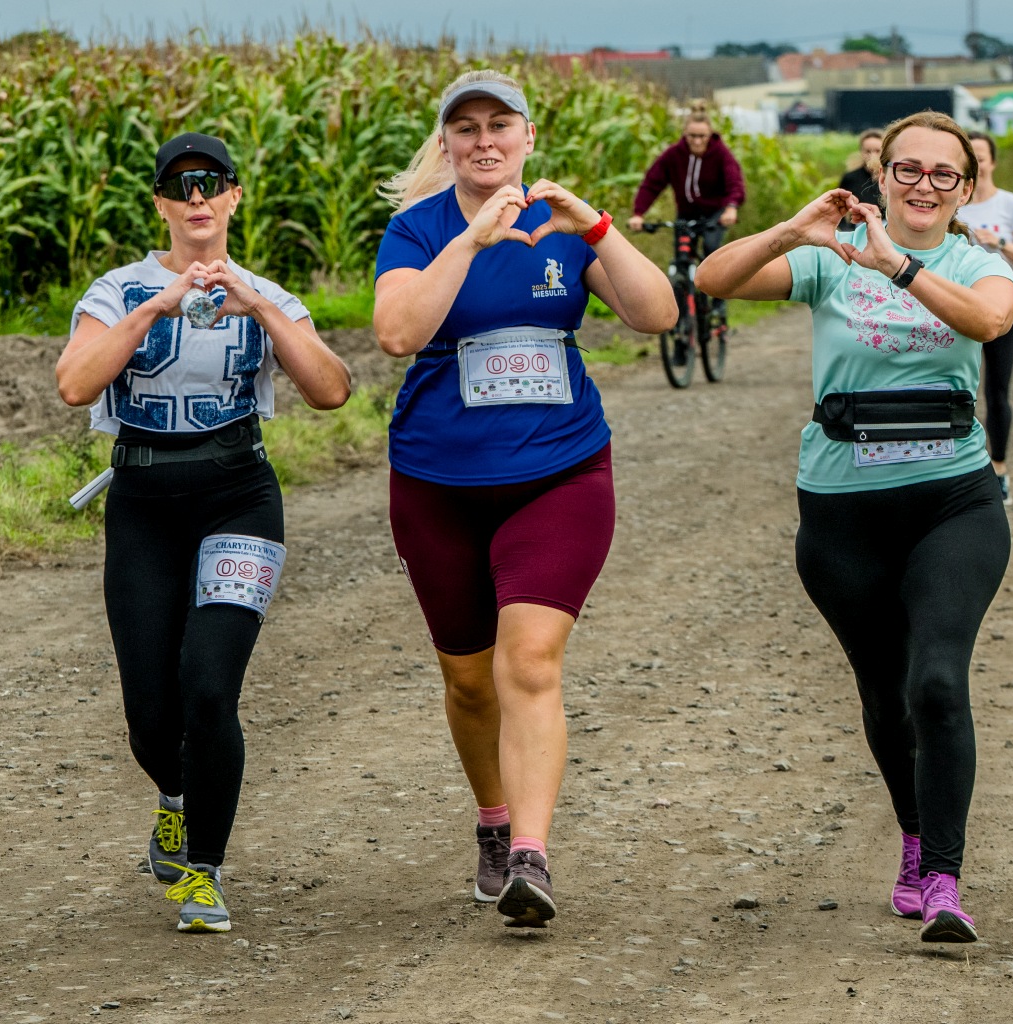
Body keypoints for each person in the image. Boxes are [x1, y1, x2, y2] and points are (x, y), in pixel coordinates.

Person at [696, 111, 1013, 943]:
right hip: (841, 513)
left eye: (942, 174)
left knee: (936, 682)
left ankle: (942, 879)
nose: (922, 185)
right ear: (881, 176)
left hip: (953, 503)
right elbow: (711, 279)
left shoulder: (977, 265)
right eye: (907, 169)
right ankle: (912, 839)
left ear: (965, 189)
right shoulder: (829, 259)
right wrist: (789, 232)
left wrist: (898, 266)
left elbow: (986, 323)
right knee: (885, 694)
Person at [373, 70, 674, 928]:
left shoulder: (565, 225)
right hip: (437, 480)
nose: (483, 141)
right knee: (470, 680)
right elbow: (396, 332)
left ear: (527, 136)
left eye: (499, 124)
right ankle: (495, 821)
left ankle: (531, 857)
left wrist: (599, 229)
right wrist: (470, 241)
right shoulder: (417, 229)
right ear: (445, 144)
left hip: (558, 472)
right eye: (465, 128)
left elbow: (657, 315)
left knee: (529, 662)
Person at [55, 131, 352, 933]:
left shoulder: (267, 293)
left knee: (210, 687)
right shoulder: (116, 290)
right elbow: (75, 382)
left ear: (233, 197)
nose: (196, 197)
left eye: (211, 183)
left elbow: (331, 389)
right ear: (159, 202)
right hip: (143, 503)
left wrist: (258, 307)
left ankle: (203, 871)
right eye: (180, 185)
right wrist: (157, 304)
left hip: (238, 497)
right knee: (151, 717)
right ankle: (175, 797)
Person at [962, 132, 1013, 505]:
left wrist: (999, 243)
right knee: (955, 390)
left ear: (993, 162)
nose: (976, 164)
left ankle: (998, 469)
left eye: (981, 156)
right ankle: (958, 473)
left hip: (1000, 307)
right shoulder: (949, 203)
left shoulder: (1010, 204)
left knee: (996, 391)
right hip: (955, 306)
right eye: (970, 157)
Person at [626, 108, 746, 323]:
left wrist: (731, 208)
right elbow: (652, 183)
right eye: (692, 136)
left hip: (714, 215)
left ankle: (718, 301)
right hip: (686, 214)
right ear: (685, 135)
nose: (697, 141)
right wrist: (638, 213)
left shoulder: (721, 155)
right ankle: (682, 310)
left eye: (702, 136)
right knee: (681, 257)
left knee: (711, 249)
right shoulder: (674, 155)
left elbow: (734, 183)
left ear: (710, 135)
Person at [836, 129, 885, 228]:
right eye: (868, 151)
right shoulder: (850, 178)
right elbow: (840, 209)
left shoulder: (891, 177)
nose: (872, 155)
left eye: (877, 151)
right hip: (858, 227)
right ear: (861, 152)